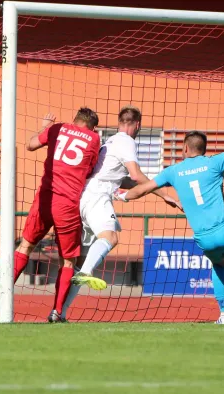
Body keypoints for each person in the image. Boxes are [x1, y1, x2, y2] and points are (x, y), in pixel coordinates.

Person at [121, 98, 224, 324]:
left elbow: (141, 190)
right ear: (203, 148)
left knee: (219, 264)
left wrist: (119, 195)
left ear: (185, 148)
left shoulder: (173, 171)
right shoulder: (214, 163)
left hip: (203, 238)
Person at [60, 106, 181, 321]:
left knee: (79, 259)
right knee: (110, 237)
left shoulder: (110, 141)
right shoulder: (127, 141)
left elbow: (120, 179)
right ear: (138, 125)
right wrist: (164, 194)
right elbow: (135, 175)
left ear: (118, 123)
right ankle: (85, 274)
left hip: (82, 197)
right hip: (97, 197)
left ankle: (59, 312)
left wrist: (150, 190)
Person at [0, 108, 103, 323]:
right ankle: (56, 312)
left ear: (74, 121)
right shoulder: (94, 138)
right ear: (93, 127)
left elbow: (31, 144)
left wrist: (44, 127)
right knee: (68, 261)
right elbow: (89, 169)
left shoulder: (57, 128)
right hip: (67, 203)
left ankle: (3, 295)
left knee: (25, 246)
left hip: (44, 199)